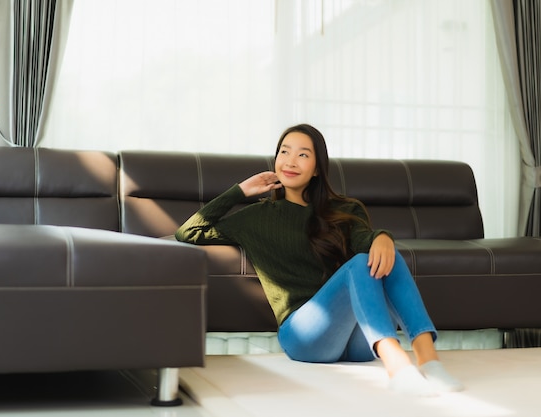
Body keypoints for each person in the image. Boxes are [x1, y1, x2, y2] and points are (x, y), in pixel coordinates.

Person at [175, 124, 463, 396]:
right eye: (284, 152)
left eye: (303, 154)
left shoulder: (345, 209)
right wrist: (240, 191)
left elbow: (366, 241)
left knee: (381, 253)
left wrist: (383, 238)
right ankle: (398, 367)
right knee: (359, 266)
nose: (290, 161)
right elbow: (188, 232)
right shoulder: (256, 217)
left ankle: (430, 362)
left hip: (356, 339)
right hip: (304, 337)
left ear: (316, 169)